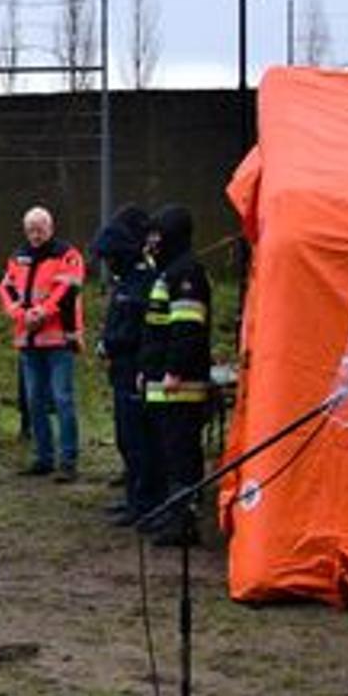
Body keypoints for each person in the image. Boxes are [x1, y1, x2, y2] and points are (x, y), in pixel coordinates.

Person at [132, 205, 212, 546]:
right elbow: (156, 330)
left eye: (157, 235)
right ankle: (173, 513)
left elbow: (186, 330)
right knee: (168, 454)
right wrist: (146, 370)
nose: (152, 242)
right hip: (163, 385)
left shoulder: (185, 274)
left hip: (180, 388)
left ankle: (184, 523)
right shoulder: (170, 273)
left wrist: (174, 371)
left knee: (182, 456)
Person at [0, 206, 86, 482]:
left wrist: (42, 312)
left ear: (51, 228)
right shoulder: (18, 256)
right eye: (31, 230)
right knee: (34, 401)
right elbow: (6, 288)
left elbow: (68, 289)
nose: (35, 235)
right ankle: (44, 457)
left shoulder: (67, 255)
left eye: (40, 230)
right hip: (29, 338)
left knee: (62, 399)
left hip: (58, 339)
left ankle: (68, 460)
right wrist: (21, 314)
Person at [95, 205, 160, 525]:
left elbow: (138, 329)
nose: (108, 264)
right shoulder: (127, 280)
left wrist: (112, 342)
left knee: (138, 441)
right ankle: (134, 497)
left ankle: (145, 503)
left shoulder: (143, 280)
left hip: (134, 369)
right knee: (127, 439)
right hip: (121, 370)